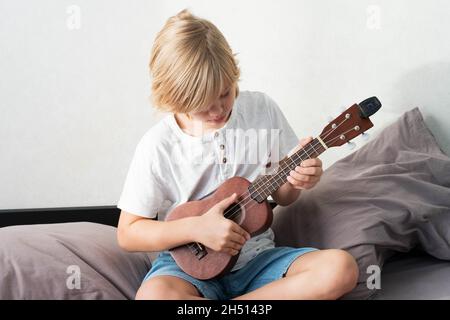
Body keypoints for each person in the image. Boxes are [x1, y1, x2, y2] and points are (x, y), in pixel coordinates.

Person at [117, 9, 358, 300]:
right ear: (173, 99)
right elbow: (128, 233)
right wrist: (197, 228)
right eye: (203, 105)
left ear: (234, 73)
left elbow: (283, 196)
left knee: (340, 268)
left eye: (225, 93)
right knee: (152, 297)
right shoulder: (158, 145)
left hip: (258, 260)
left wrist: (296, 179)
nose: (218, 110)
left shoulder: (261, 109)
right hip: (188, 266)